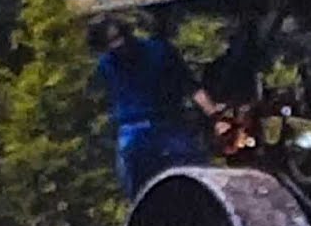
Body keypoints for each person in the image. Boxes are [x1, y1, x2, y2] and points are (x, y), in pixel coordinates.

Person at [87, 14, 224, 199]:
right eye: (111, 42)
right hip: (135, 132)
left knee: (202, 177)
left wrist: (216, 116)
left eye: (119, 38)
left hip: (167, 126)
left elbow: (190, 86)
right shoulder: (107, 64)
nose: (118, 45)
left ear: (127, 33)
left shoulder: (159, 51)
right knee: (139, 187)